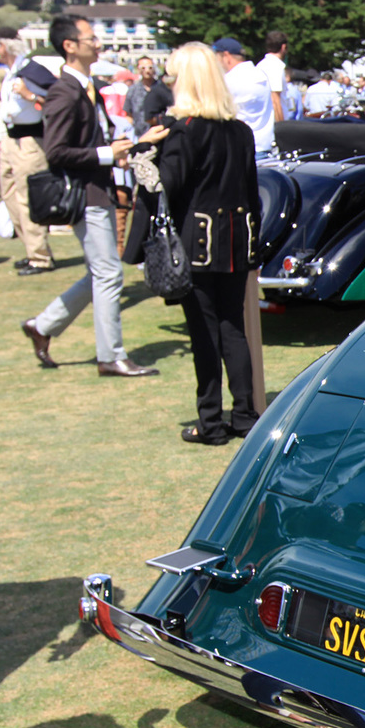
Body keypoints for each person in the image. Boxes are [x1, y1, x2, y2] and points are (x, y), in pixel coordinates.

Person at [136, 42, 261, 442]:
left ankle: (210, 422)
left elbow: (164, 186)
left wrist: (143, 152)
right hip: (238, 240)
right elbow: (252, 192)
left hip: (199, 243)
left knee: (204, 334)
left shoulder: (185, 131)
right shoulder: (240, 131)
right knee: (233, 330)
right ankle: (244, 415)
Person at [20, 15, 157, 378]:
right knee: (109, 273)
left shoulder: (85, 87)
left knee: (101, 272)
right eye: (90, 38)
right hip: (85, 195)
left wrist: (115, 151)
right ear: (70, 45)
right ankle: (110, 356)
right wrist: (107, 154)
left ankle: (43, 326)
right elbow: (57, 151)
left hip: (98, 189)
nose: (97, 43)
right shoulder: (64, 92)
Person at [0, 30, 55, 274]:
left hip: (30, 138)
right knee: (10, 195)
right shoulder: (11, 72)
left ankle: (40, 257)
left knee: (28, 197)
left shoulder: (31, 69)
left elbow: (56, 96)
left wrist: (30, 96)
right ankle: (32, 249)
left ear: (7, 46)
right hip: (10, 137)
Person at [214, 37, 274, 160]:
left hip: (240, 150)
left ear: (226, 56)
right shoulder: (260, 75)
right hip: (264, 147)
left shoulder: (230, 81)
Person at [122, 56, 159, 138]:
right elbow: (129, 114)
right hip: (140, 135)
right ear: (138, 70)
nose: (147, 71)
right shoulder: (133, 90)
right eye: (143, 68)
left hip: (159, 134)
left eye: (150, 67)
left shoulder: (162, 89)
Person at [258, 31, 290, 123]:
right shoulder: (275, 67)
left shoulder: (261, 65)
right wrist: (282, 128)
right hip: (274, 124)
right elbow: (275, 100)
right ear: (283, 47)